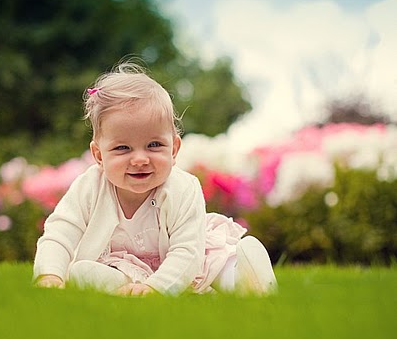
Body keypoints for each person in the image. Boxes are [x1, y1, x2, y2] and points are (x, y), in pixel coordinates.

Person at [33, 62, 277, 296]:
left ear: (174, 149)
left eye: (154, 145)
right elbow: (61, 232)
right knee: (83, 271)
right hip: (120, 265)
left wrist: (157, 287)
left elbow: (188, 251)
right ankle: (124, 285)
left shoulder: (182, 188)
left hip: (185, 263)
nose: (140, 159)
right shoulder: (90, 187)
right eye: (122, 148)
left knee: (214, 259)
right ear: (99, 155)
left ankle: (241, 278)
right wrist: (49, 274)